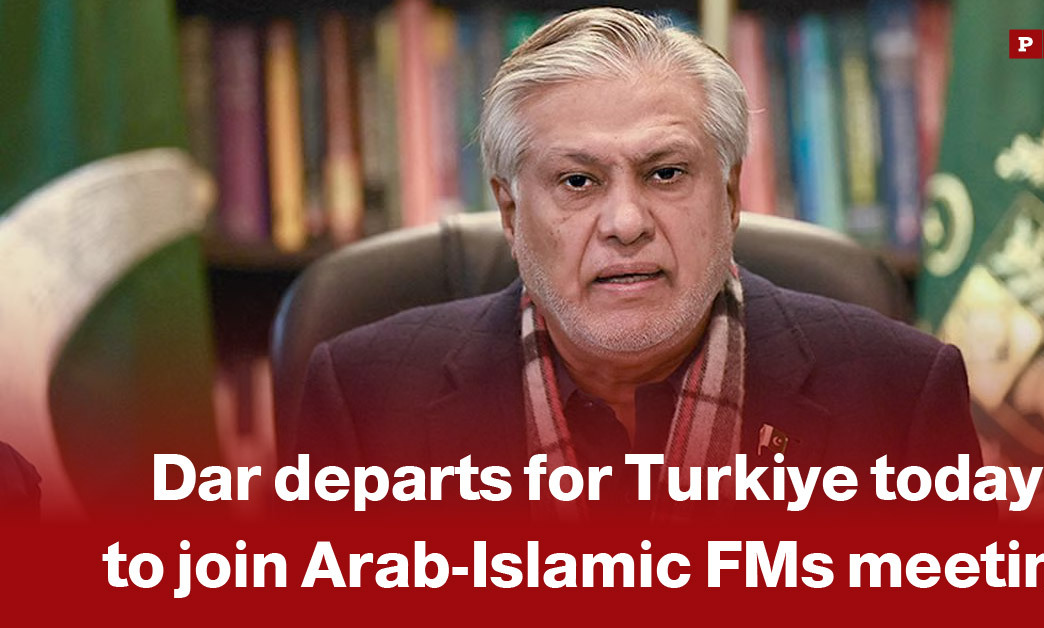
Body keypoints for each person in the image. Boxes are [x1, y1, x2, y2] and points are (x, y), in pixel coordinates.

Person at [293, 7, 985, 519]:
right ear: (509, 213)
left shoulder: (903, 397)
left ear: (732, 193)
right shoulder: (363, 403)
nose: (626, 223)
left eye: (665, 173)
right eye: (577, 182)